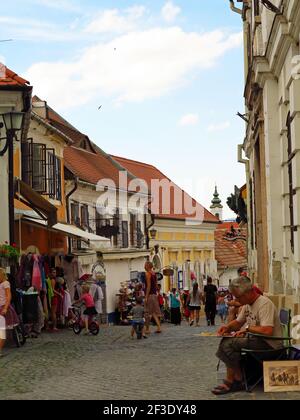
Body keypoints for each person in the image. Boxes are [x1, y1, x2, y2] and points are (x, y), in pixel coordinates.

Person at [212, 276, 283, 395]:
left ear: (249, 292)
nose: (237, 300)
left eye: (239, 297)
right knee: (227, 341)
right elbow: (238, 322)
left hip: (270, 344)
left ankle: (235, 380)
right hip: (258, 340)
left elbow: (267, 331)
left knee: (229, 344)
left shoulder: (264, 304)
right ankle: (237, 378)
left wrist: (247, 329)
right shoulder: (247, 304)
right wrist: (228, 327)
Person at [0, 268, 19, 356]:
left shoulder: (6, 283)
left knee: (2, 330)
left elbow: (8, 296)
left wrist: (5, 308)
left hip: (3, 308)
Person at [144, 261, 161, 334]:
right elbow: (156, 285)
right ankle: (159, 327)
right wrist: (158, 292)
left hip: (150, 295)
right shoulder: (154, 274)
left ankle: (147, 329)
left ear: (148, 266)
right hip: (154, 295)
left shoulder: (148, 274)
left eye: (145, 265)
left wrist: (146, 297)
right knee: (154, 312)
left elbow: (148, 286)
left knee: (147, 313)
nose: (144, 266)